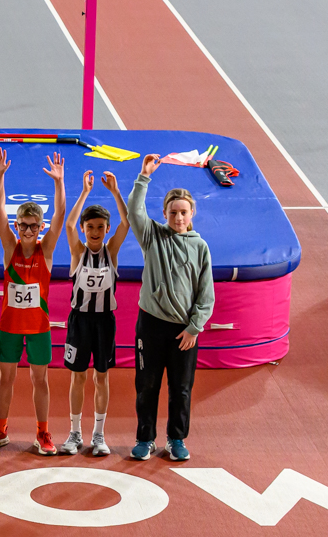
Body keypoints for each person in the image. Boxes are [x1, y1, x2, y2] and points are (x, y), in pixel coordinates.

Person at [127, 154, 214, 461]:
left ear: (192, 214)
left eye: (183, 212)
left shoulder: (200, 247)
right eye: (173, 212)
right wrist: (144, 176)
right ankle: (145, 439)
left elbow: (206, 295)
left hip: (184, 332)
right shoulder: (152, 236)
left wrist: (194, 327)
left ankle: (176, 439)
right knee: (146, 385)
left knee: (181, 388)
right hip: (150, 325)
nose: (178, 217)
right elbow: (134, 211)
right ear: (164, 213)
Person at [0, 147, 66, 455]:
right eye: (23, 225)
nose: (28, 230)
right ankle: (0, 429)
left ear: (40, 227)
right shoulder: (10, 248)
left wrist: (59, 182)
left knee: (39, 380)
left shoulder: (46, 250)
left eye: (33, 225)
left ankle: (43, 433)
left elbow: (60, 216)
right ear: (17, 226)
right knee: (6, 378)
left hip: (39, 328)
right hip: (10, 327)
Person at [58, 169, 129, 456]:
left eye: (100, 227)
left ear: (107, 229)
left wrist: (116, 192)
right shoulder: (78, 252)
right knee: (78, 377)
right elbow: (68, 225)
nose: (95, 232)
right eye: (90, 227)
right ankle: (75, 433)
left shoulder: (112, 252)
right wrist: (85, 191)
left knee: (102, 377)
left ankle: (98, 435)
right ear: (84, 229)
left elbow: (126, 222)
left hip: (104, 322)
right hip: (80, 321)